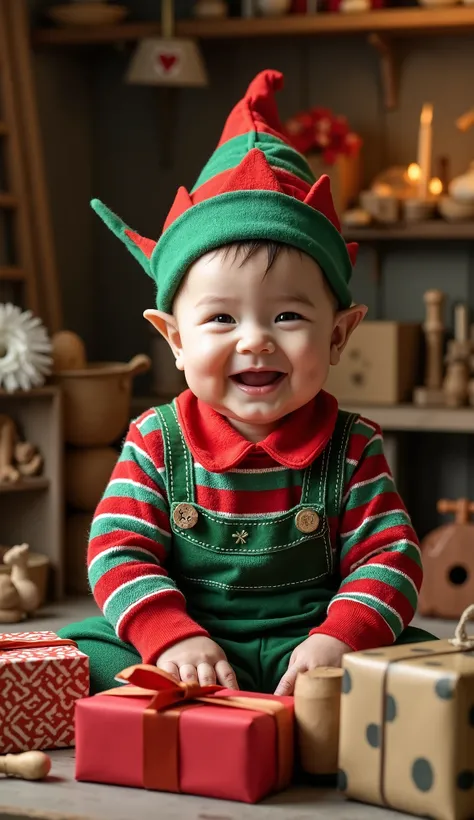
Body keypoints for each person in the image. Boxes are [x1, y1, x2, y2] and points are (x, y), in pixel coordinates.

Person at [59, 69, 434, 696]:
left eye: (288, 315)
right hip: (192, 639)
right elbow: (117, 551)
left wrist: (339, 637)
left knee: (424, 664)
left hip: (308, 645)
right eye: (221, 318)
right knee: (77, 650)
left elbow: (390, 557)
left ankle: (271, 706)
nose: (255, 339)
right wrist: (170, 635)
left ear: (339, 335)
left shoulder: (353, 446)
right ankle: (195, 692)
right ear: (174, 339)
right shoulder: (157, 440)